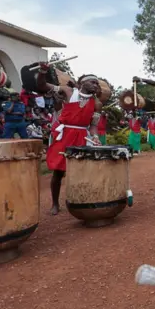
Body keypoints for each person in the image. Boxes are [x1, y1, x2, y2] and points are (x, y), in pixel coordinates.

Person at [36, 65, 102, 216]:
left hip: (82, 136)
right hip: (64, 134)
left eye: (97, 83)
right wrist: (43, 71)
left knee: (81, 170)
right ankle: (55, 204)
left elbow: (93, 126)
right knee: (58, 172)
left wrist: (96, 138)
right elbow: (42, 85)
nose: (96, 85)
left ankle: (80, 200)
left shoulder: (97, 104)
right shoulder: (69, 91)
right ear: (82, 82)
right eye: (93, 82)